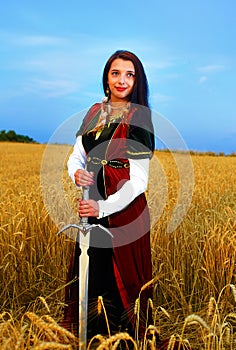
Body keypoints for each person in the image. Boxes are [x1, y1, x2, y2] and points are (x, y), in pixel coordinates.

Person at [62, 50, 155, 341]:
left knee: (122, 282)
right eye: (116, 73)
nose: (122, 80)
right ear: (106, 77)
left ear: (137, 80)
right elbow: (76, 157)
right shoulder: (93, 112)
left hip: (124, 211)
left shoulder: (140, 117)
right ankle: (89, 337)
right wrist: (76, 173)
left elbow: (139, 181)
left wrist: (101, 207)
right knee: (91, 274)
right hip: (90, 203)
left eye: (130, 74)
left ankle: (123, 342)